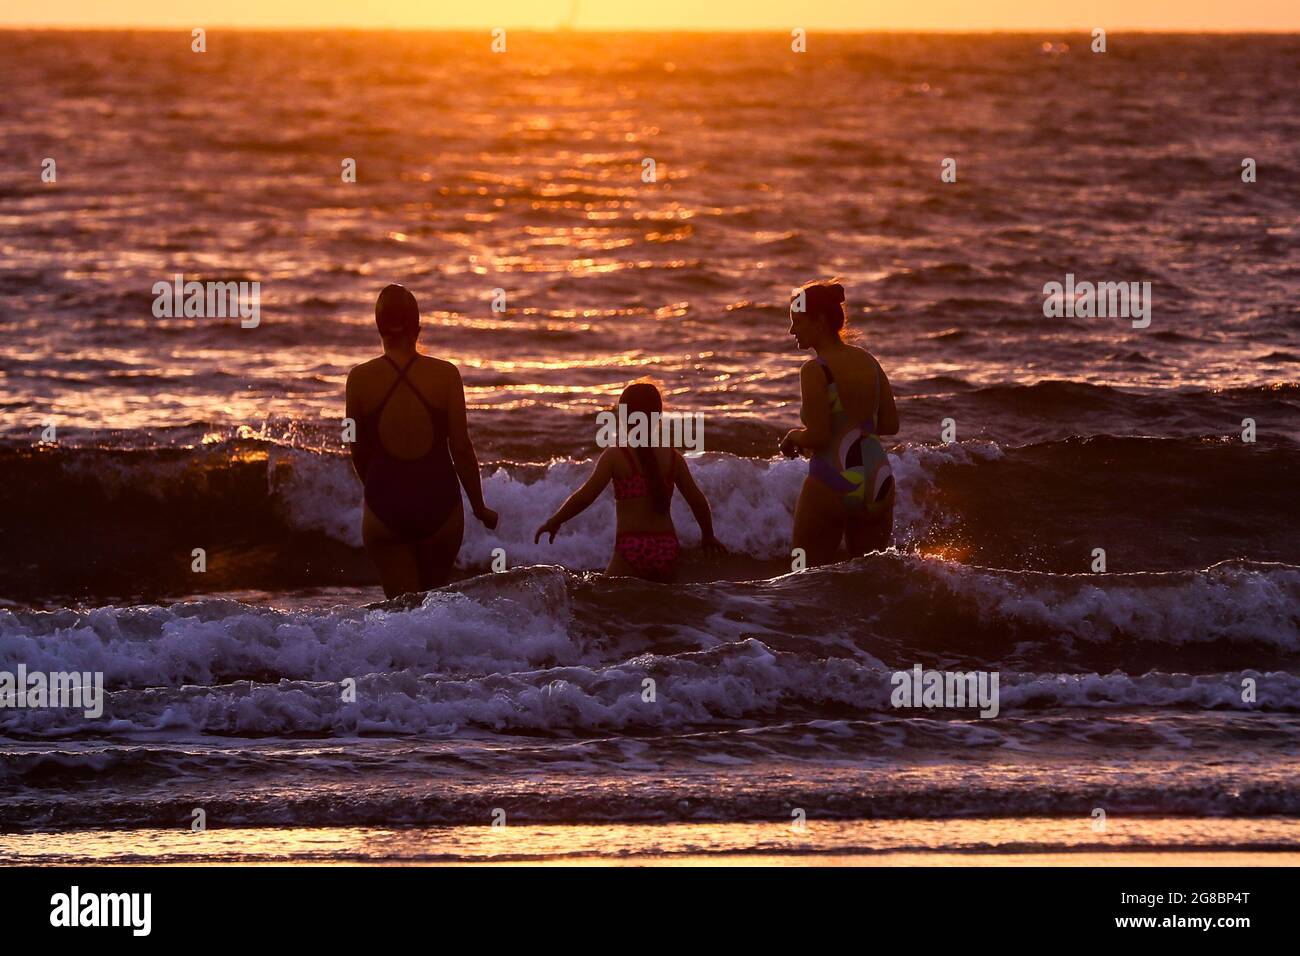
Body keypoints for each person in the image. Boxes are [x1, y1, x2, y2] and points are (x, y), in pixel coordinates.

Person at [345, 284, 497, 598]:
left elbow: (356, 447)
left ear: (379, 326)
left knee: (402, 615)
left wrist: (374, 491)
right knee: (434, 611)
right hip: (439, 505)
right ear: (418, 325)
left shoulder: (358, 379)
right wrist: (479, 506)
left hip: (384, 506)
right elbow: (462, 449)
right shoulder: (446, 375)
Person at [534, 382, 723, 581]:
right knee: (663, 608)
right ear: (658, 415)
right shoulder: (673, 458)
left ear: (624, 416)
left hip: (631, 545)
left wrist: (555, 521)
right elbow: (697, 500)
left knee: (607, 605)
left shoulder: (616, 455)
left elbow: (586, 496)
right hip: (666, 546)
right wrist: (708, 535)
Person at [780, 279, 899, 566]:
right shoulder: (869, 361)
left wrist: (794, 436)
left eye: (798, 321)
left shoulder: (814, 370)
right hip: (877, 478)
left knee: (805, 578)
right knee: (868, 583)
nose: (791, 330)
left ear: (819, 321)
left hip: (833, 478)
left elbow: (819, 437)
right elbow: (889, 425)